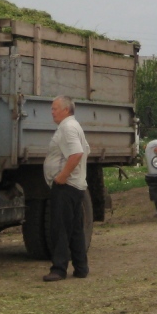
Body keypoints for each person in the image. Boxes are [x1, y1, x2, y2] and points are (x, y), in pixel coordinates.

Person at [42, 96, 91, 282]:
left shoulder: (68, 127)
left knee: (60, 228)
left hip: (67, 186)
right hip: (75, 185)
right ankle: (81, 267)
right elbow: (86, 149)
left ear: (65, 110)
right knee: (76, 229)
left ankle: (59, 269)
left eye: (55, 108)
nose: (52, 111)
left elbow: (77, 153)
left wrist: (62, 176)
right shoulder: (74, 126)